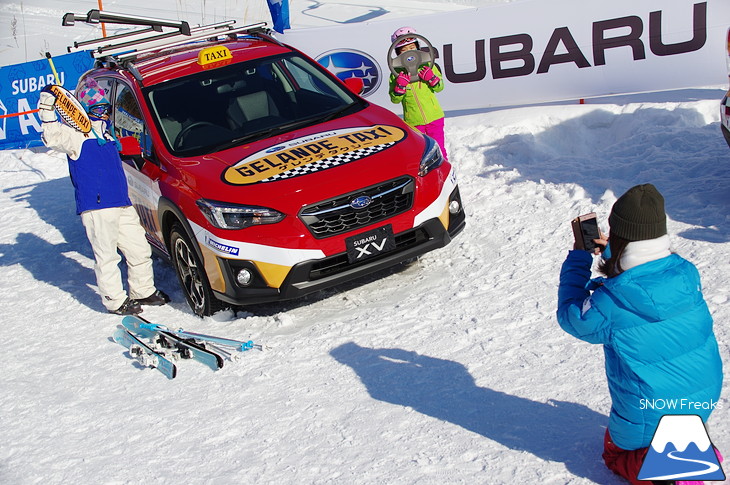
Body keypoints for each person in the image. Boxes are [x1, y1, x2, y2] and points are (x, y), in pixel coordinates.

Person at [556, 184, 723, 485]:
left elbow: (573, 317)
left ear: (620, 237)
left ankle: (678, 470)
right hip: (704, 397)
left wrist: (581, 257)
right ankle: (691, 445)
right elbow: (643, 272)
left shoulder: (613, 301)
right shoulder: (686, 272)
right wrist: (611, 252)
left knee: (614, 455)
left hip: (651, 409)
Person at [37, 78, 170, 315]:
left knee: (139, 248)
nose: (103, 114)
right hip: (97, 206)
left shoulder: (107, 136)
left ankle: (143, 291)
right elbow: (52, 137)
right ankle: (115, 300)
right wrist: (47, 107)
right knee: (107, 255)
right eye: (98, 110)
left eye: (106, 110)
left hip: (121, 202)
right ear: (86, 111)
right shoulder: (76, 136)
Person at [389, 26, 448, 160]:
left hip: (434, 117)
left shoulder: (428, 65)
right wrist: (399, 87)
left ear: (418, 47)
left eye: (411, 48)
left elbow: (440, 87)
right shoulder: (396, 74)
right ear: (398, 54)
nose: (409, 53)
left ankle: (444, 172)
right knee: (422, 152)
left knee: (439, 148)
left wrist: (432, 78)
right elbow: (394, 99)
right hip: (414, 122)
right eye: (404, 50)